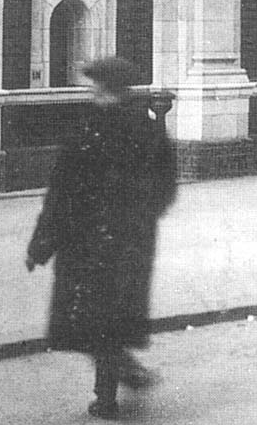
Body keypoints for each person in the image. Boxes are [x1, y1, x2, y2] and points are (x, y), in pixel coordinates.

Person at [26, 56, 177, 420]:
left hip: (87, 243)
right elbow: (166, 188)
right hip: (127, 243)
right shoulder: (149, 129)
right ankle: (119, 377)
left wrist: (41, 246)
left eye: (96, 86)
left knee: (90, 319)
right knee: (106, 319)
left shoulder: (85, 131)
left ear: (110, 89)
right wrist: (140, 221)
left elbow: (60, 193)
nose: (92, 92)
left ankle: (110, 392)